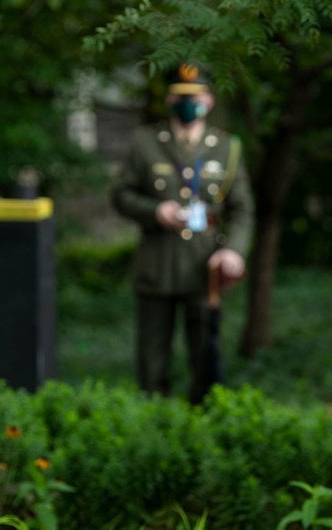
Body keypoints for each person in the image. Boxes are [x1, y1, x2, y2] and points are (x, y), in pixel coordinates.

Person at [110, 63, 254, 404]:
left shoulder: (227, 148)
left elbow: (243, 209)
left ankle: (202, 425)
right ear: (170, 98)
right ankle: (155, 423)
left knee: (205, 355)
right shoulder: (145, 142)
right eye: (182, 96)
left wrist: (233, 251)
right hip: (157, 266)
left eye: (197, 96)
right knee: (152, 360)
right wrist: (155, 211)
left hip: (205, 267)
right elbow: (120, 195)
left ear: (210, 100)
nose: (189, 103)